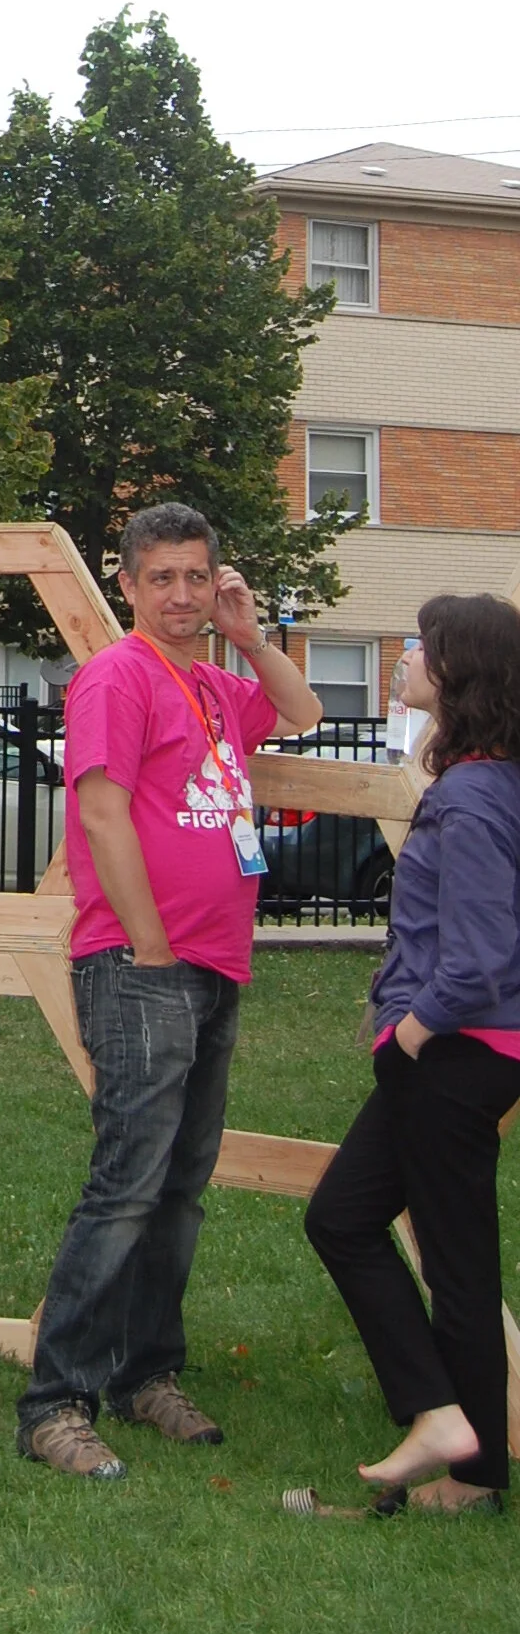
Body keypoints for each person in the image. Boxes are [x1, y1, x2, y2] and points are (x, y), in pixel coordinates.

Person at [17, 500, 323, 1478]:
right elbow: (101, 813)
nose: (182, 593)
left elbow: (305, 710)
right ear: (128, 584)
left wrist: (249, 634)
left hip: (214, 964)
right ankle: (53, 1401)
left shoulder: (212, 681)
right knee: (124, 1186)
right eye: (163, 578)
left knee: (179, 1188)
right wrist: (148, 944)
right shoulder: (117, 675)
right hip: (141, 963)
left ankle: (144, 1373)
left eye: (197, 576)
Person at [304, 593, 520, 1514]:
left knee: (455, 1262)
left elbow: (479, 958)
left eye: (419, 649)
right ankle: (448, 1429)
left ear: (459, 673)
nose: (402, 659)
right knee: (348, 1219)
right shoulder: (492, 777)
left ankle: (465, 1461)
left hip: (454, 1053)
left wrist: (409, 1033)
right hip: (463, 1055)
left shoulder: (471, 797)